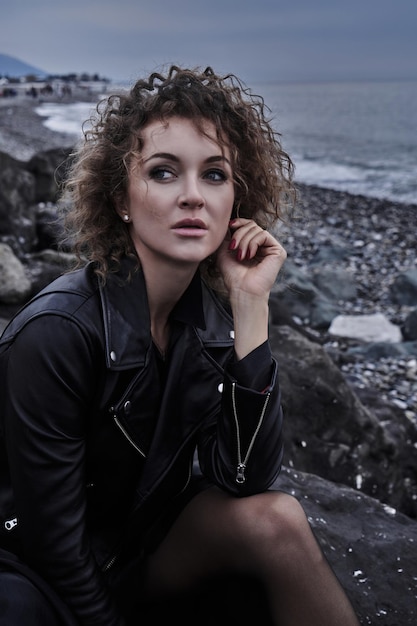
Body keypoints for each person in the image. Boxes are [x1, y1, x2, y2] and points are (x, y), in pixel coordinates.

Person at [0, 65, 360, 626]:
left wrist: (250, 307)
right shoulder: (57, 333)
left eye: (215, 175)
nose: (193, 196)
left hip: (141, 550)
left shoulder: (212, 324)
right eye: (164, 173)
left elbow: (245, 479)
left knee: (279, 520)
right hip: (39, 573)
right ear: (121, 197)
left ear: (236, 199)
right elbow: (55, 548)